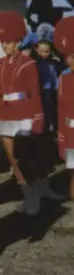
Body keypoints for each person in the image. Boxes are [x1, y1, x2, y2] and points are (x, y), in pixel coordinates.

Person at [0, 11, 49, 215]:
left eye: (8, 41)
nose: (5, 45)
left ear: (18, 41)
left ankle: (35, 192)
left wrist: (37, 119)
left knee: (25, 158)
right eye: (2, 42)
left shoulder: (29, 64)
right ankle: (27, 194)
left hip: (24, 115)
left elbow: (34, 94)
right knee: (13, 162)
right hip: (6, 118)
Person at [54, 16, 74, 200]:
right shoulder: (63, 79)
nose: (69, 61)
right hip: (70, 132)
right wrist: (62, 138)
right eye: (67, 57)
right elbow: (61, 110)